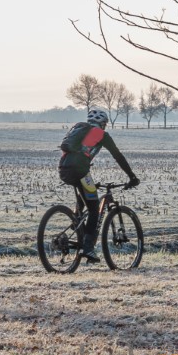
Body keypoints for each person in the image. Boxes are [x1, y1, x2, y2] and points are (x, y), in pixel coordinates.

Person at [58, 109, 139, 262]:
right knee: (94, 208)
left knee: (86, 197)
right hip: (81, 171)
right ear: (103, 124)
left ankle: (78, 227)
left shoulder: (78, 129)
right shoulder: (101, 134)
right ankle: (88, 248)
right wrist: (132, 177)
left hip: (63, 169)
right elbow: (118, 156)